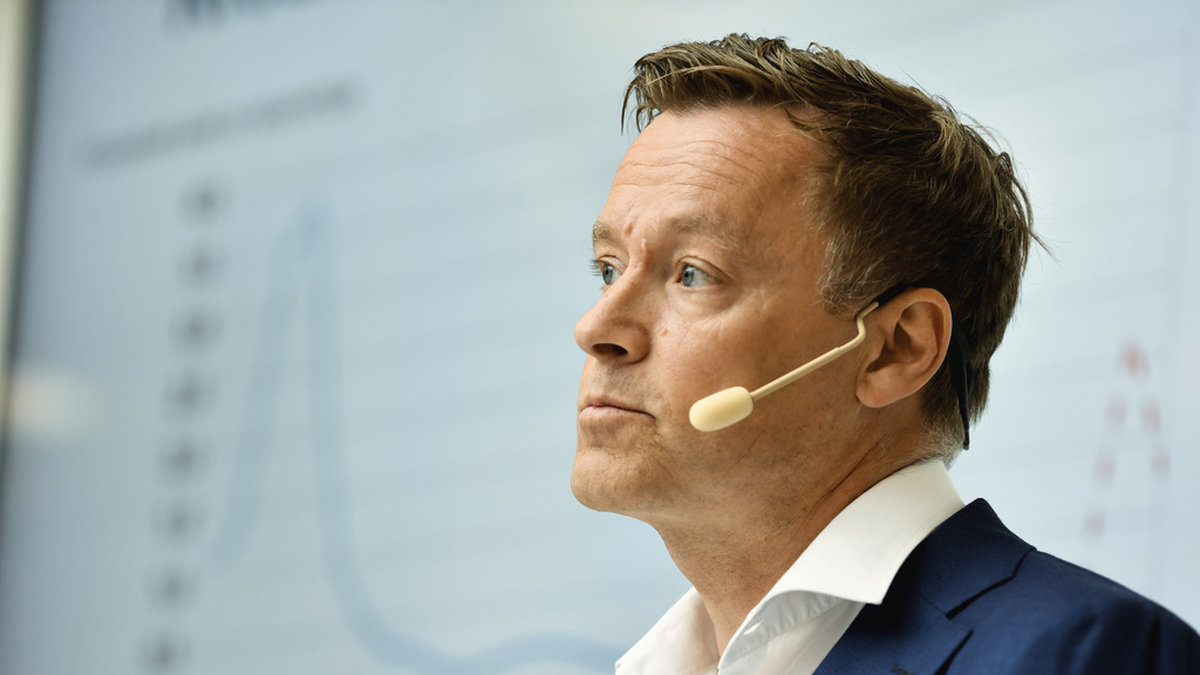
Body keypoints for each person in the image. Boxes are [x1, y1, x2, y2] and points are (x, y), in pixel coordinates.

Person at [571, 34, 1200, 674]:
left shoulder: (1084, 653)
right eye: (608, 269)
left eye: (693, 274)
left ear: (897, 349)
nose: (595, 328)